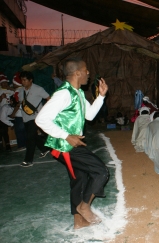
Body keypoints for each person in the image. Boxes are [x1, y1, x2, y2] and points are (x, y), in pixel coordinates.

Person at [36, 57, 109, 229]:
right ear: (77, 73)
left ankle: (78, 222)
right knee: (101, 172)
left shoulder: (78, 93)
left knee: (79, 178)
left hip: (70, 145)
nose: (88, 73)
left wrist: (101, 96)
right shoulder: (64, 93)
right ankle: (84, 207)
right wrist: (66, 136)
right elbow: (41, 119)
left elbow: (89, 115)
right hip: (66, 147)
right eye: (86, 70)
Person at [18, 71, 50, 167]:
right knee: (33, 136)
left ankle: (28, 160)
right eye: (22, 80)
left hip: (36, 117)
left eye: (25, 80)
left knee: (29, 138)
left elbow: (49, 98)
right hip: (26, 117)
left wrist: (46, 111)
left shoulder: (38, 89)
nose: (23, 82)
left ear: (31, 80)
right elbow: (21, 103)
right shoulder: (20, 91)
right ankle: (45, 149)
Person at [9, 72, 26, 151]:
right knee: (24, 130)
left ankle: (22, 146)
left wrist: (13, 113)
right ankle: (26, 145)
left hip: (19, 113)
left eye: (13, 82)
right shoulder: (23, 89)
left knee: (19, 130)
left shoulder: (18, 91)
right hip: (24, 113)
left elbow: (18, 103)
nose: (13, 84)